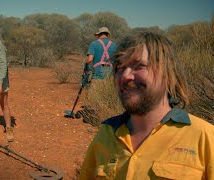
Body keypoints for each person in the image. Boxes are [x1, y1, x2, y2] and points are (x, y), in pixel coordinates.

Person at [79, 31, 214, 179]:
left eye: (139, 66)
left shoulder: (204, 137)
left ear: (169, 74)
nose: (125, 76)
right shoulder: (106, 133)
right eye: (119, 68)